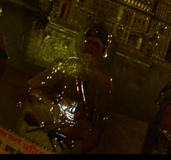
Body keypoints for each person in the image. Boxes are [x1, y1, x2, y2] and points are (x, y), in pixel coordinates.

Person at [22, 23, 114, 152]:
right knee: (34, 95)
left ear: (102, 50)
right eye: (89, 42)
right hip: (61, 111)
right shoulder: (70, 64)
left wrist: (95, 132)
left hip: (80, 121)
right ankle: (52, 126)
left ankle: (47, 125)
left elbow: (101, 112)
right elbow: (47, 76)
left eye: (95, 44)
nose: (90, 47)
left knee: (83, 132)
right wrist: (27, 87)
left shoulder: (103, 79)